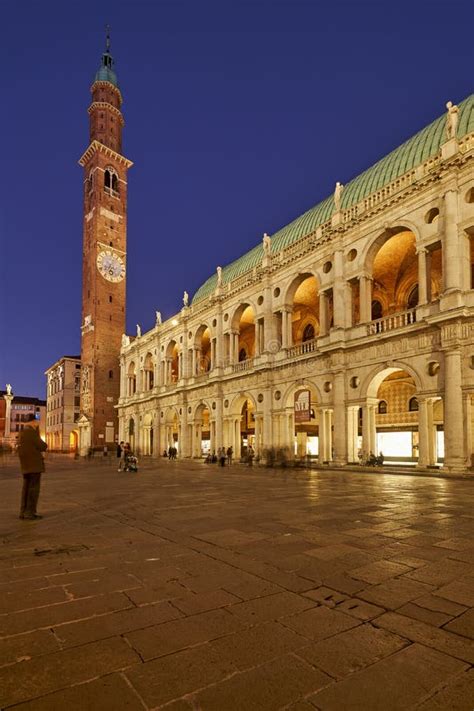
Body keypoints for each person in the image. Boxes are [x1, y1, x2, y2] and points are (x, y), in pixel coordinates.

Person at [17, 414, 47, 520]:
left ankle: (23, 512)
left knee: (26, 489)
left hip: (25, 466)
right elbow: (43, 446)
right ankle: (30, 512)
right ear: (33, 422)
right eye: (37, 422)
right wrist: (37, 431)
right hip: (34, 466)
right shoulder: (31, 432)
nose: (38, 423)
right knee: (33, 490)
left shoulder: (22, 433)